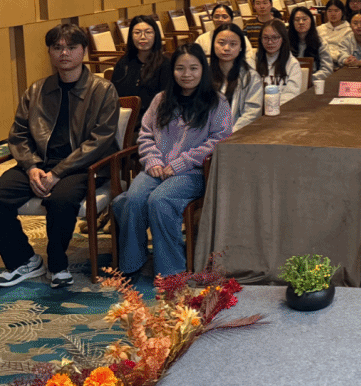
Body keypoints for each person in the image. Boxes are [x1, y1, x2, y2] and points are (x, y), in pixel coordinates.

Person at [0, 24, 120, 288]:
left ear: (84, 50)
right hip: (39, 164)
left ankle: (57, 264)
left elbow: (100, 140)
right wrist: (31, 166)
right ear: (50, 52)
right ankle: (25, 260)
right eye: (57, 47)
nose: (64, 53)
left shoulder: (102, 90)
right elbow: (19, 134)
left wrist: (58, 173)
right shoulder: (36, 90)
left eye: (71, 47)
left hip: (83, 166)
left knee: (60, 200)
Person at [114, 45, 232, 279]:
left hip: (194, 172)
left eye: (193, 68)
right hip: (157, 168)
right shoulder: (161, 99)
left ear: (203, 69)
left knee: (160, 200)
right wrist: (153, 160)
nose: (186, 74)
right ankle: (132, 262)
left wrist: (182, 163)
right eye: (180, 68)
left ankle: (171, 271)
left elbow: (220, 139)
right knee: (132, 199)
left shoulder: (217, 102)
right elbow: (145, 134)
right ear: (172, 71)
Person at [110, 14, 171, 119]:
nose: (142, 37)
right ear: (131, 36)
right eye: (137, 33)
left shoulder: (165, 64)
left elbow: (167, 102)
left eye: (148, 32)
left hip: (153, 120)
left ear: (156, 35)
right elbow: (114, 95)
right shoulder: (123, 63)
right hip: (125, 118)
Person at [209, 23, 263, 132]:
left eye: (233, 44)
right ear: (213, 44)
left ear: (241, 48)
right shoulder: (203, 75)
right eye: (221, 43)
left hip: (236, 135)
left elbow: (251, 114)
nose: (226, 48)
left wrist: (228, 134)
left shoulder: (251, 77)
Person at [251, 20, 303, 104]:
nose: (270, 42)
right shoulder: (252, 60)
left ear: (283, 39)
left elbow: (291, 94)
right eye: (265, 38)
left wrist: (272, 106)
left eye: (275, 38)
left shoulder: (292, 64)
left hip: (282, 108)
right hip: (256, 108)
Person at [288, 6, 335, 83]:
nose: (301, 22)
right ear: (292, 23)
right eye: (297, 20)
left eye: (304, 19)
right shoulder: (286, 43)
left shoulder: (320, 43)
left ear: (311, 21)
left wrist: (307, 79)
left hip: (312, 83)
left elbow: (327, 70)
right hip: (290, 82)